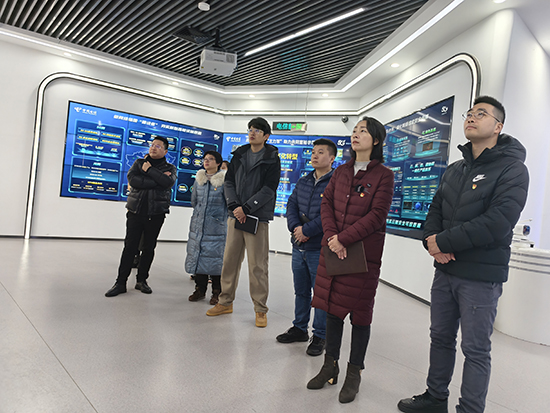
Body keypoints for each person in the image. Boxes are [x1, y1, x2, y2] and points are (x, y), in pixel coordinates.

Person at [398, 96, 529, 413]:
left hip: (480, 276)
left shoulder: (513, 169)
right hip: (445, 271)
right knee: (440, 337)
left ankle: (470, 408)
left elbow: (498, 221)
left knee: (475, 349)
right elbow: (435, 210)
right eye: (469, 113)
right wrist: (431, 241)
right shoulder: (455, 169)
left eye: (481, 114)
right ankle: (435, 397)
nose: (471, 117)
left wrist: (443, 242)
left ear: (497, 126)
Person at [307, 117, 394, 403]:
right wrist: (333, 237)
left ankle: (354, 373)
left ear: (376, 140)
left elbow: (377, 215)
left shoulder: (384, 175)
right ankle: (329, 366)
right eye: (354, 130)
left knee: (360, 315)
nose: (356, 135)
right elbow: (327, 204)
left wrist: (344, 239)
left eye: (363, 131)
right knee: (332, 309)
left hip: (363, 256)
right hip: (334, 250)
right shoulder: (342, 171)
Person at [206, 117, 281, 328]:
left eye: (257, 130)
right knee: (229, 260)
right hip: (235, 215)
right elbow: (229, 182)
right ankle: (225, 302)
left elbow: (269, 188)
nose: (252, 133)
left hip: (256, 217)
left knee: (257, 265)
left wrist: (247, 208)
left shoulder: (272, 158)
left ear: (266, 136)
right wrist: (234, 205)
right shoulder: (239, 155)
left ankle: (260, 309)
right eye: (250, 129)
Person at [276, 139, 336, 356]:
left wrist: (307, 230)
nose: (315, 155)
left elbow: (331, 214)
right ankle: (300, 328)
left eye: (320, 152)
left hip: (319, 247)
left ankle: (320, 335)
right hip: (298, 245)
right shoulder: (304, 180)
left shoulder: (336, 183)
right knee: (301, 291)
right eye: (313, 152)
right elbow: (291, 205)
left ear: (332, 158)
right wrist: (295, 228)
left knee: (320, 294)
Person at [106, 137, 177, 297]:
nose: (153, 147)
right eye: (152, 145)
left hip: (156, 214)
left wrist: (149, 170)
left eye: (158, 146)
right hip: (135, 212)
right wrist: (157, 179)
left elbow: (168, 183)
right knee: (129, 247)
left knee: (148, 248)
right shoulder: (139, 163)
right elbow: (133, 180)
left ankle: (141, 281)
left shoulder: (170, 168)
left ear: (165, 151)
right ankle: (120, 283)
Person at [185, 150, 227, 304]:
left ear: (218, 163)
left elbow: (228, 204)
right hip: (198, 225)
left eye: (211, 159)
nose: (206, 161)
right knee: (199, 257)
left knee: (216, 260)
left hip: (216, 228)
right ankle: (200, 289)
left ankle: (217, 292)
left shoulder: (224, 181)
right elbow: (194, 201)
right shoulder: (199, 179)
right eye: (205, 159)